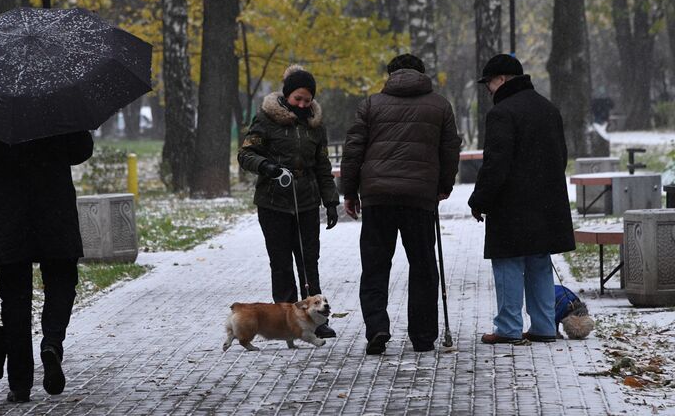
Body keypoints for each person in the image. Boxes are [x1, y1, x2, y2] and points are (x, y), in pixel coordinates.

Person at [340, 54, 461, 355]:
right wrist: (443, 186)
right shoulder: (440, 105)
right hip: (420, 198)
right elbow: (449, 151)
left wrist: (350, 192)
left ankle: (377, 328)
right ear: (422, 73)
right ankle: (422, 336)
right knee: (422, 266)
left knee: (375, 266)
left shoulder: (371, 104)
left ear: (390, 75)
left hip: (378, 196)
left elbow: (354, 149)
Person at [0, 130, 94, 402]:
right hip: (54, 208)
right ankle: (52, 343)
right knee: (62, 281)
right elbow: (80, 151)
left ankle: (20, 384)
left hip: (6, 216)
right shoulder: (56, 96)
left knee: (14, 300)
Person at [468, 54, 575, 345]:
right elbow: (561, 156)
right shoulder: (548, 108)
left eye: (489, 83)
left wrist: (479, 200)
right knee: (540, 261)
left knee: (508, 263)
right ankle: (543, 326)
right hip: (546, 201)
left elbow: (496, 164)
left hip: (512, 204)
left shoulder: (502, 113)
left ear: (501, 80)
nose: (488, 89)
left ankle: (508, 327)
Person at [237, 65, 339, 339]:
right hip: (274, 202)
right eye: (298, 99)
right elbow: (245, 155)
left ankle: (316, 319)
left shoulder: (315, 125)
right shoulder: (266, 119)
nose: (303, 105)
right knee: (281, 262)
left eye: (307, 100)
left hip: (306, 202)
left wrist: (330, 201)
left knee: (309, 261)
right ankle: (287, 321)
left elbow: (322, 164)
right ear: (287, 96)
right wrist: (267, 167)